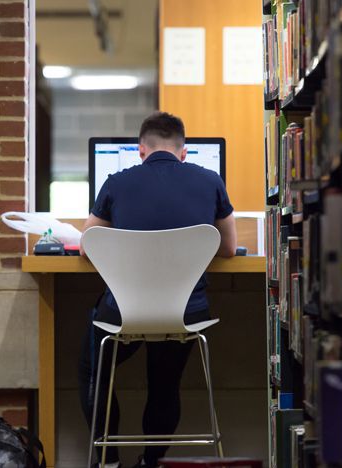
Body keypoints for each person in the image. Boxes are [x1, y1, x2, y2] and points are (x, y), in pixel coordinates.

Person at [78, 112, 237, 468]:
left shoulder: (116, 182)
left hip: (123, 314)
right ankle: (152, 462)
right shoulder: (211, 180)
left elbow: (89, 246)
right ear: (184, 152)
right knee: (165, 382)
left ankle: (108, 461)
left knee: (93, 371)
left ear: (140, 150)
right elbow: (228, 248)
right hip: (185, 314)